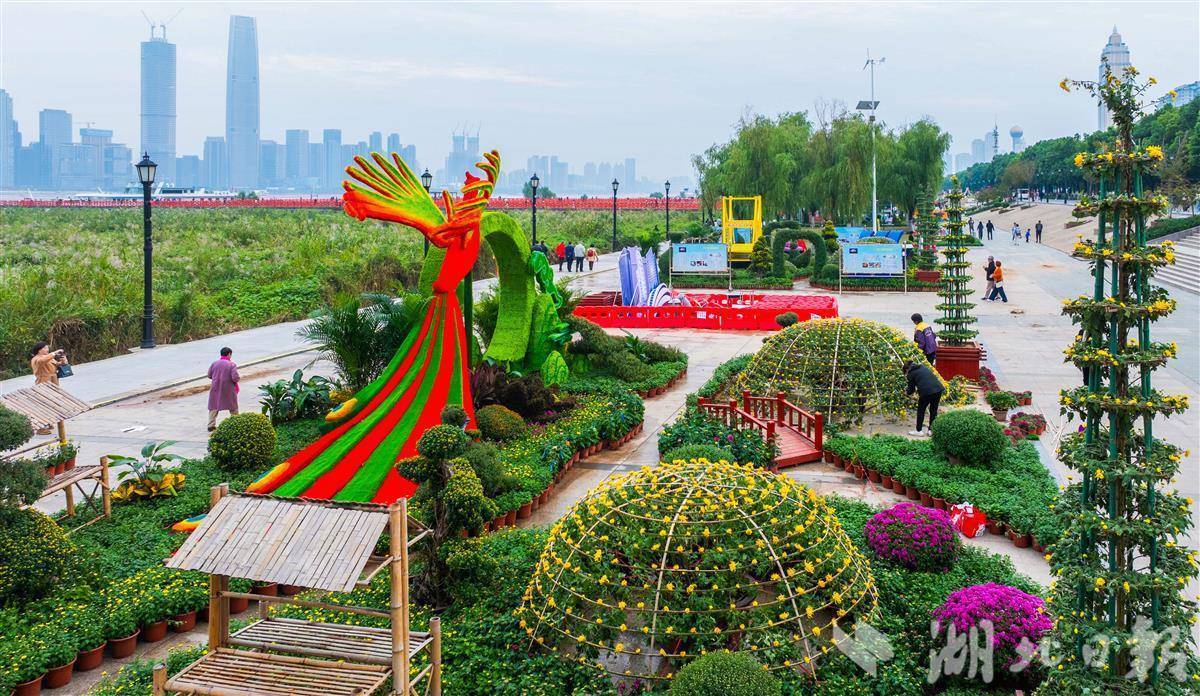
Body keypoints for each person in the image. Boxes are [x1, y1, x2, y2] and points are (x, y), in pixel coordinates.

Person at [904, 360, 944, 437]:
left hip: (926, 392)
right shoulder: (923, 367)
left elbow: (911, 390)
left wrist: (906, 393)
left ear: (907, 369)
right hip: (938, 389)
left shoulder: (911, 374)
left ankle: (919, 430)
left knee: (921, 410)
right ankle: (931, 430)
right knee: (933, 410)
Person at [207, 347, 240, 432]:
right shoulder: (232, 365)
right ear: (229, 354)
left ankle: (211, 425)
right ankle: (236, 423)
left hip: (215, 388)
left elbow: (209, 375)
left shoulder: (214, 363)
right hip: (228, 389)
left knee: (214, 406)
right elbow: (235, 378)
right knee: (233, 407)